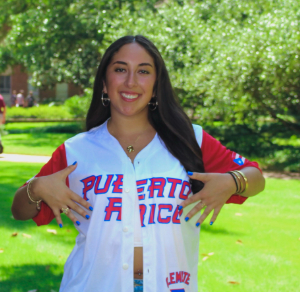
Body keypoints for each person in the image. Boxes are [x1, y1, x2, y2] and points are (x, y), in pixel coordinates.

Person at [11, 35, 265, 292]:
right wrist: (37, 187)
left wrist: (233, 182)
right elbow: (19, 210)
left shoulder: (190, 139)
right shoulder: (77, 150)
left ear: (156, 86)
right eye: (120, 69)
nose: (131, 81)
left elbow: (255, 176)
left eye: (143, 71)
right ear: (104, 84)